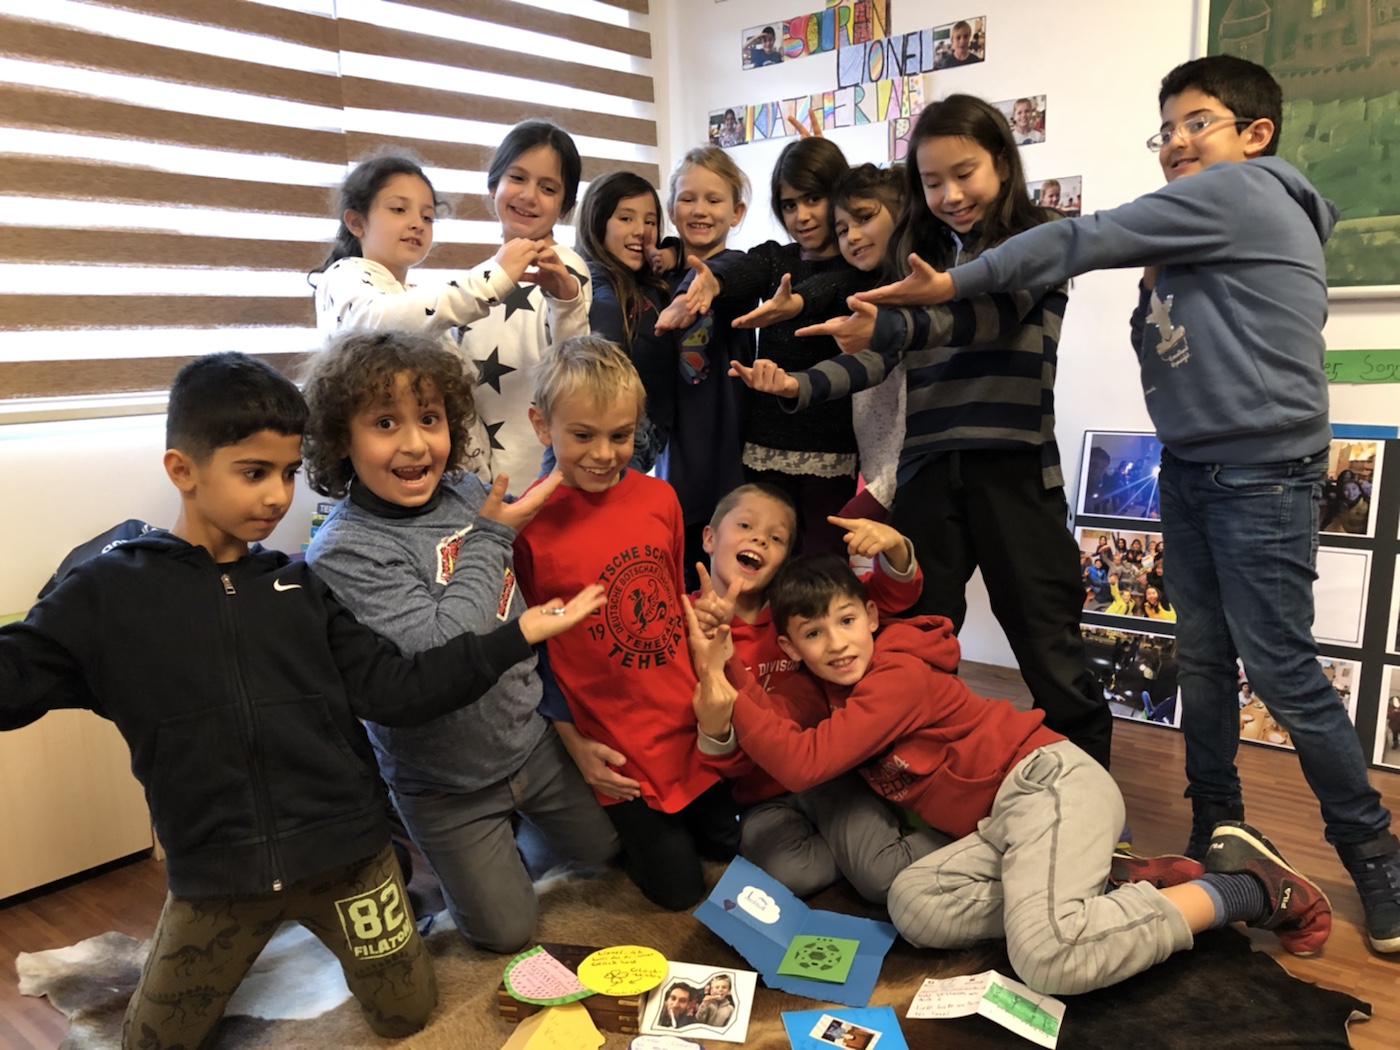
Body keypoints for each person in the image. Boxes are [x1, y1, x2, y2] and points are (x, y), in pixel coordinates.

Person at [853, 55, 1400, 951]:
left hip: (1262, 474)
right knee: (1204, 659)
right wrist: (1152, 301)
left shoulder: (1245, 191)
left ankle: (1374, 855)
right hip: (1194, 469)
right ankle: (1218, 825)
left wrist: (950, 283)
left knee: (1283, 672)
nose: (1177, 141)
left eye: (1198, 122)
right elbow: (1169, 354)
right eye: (1167, 128)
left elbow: (1083, 237)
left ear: (1256, 135)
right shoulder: (1198, 235)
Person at [0, 352, 602, 1049]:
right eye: (255, 473)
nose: (278, 497)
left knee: (408, 1013)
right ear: (182, 470)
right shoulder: (112, 592)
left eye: (287, 473)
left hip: (349, 859)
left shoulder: (301, 590)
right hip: (218, 876)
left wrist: (515, 636)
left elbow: (398, 690)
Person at [685, 554, 1332, 997]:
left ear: (872, 617)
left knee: (1049, 960)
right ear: (791, 649)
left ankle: (1248, 888)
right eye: (814, 633)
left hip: (1049, 784)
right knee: (913, 905)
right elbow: (781, 736)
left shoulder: (896, 676)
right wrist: (724, 667)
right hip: (1001, 826)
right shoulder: (836, 692)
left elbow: (803, 762)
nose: (837, 643)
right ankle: (1104, 879)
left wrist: (730, 688)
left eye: (847, 621)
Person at [731, 95, 1113, 770]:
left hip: (1014, 466)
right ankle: (924, 784)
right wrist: (797, 386)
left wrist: (896, 319)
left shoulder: (1042, 236)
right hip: (928, 471)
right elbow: (881, 358)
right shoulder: (921, 257)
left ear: (1003, 162)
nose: (950, 195)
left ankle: (1091, 796)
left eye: (964, 173)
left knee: (1048, 644)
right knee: (915, 642)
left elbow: (986, 317)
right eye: (932, 182)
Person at [301, 330, 620, 955]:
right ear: (340, 439)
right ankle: (469, 857)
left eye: (429, 418)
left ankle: (513, 836)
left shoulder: (468, 492)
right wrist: (490, 538)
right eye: (385, 423)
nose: (415, 443)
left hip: (528, 744)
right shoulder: (342, 551)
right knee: (505, 932)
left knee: (606, 852)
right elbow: (441, 649)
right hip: (444, 785)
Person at [512, 336, 740, 911]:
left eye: (620, 435)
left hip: (684, 717)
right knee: (678, 891)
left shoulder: (660, 499)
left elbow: (671, 593)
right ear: (542, 425)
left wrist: (705, 618)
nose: (604, 453)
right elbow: (533, 651)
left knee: (728, 845)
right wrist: (574, 743)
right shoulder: (527, 527)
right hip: (616, 740)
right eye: (582, 435)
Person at [691, 483, 943, 900]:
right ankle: (866, 846)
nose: (760, 539)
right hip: (758, 797)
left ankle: (954, 835)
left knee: (878, 876)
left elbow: (882, 599)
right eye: (746, 526)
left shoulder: (798, 610)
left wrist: (896, 549)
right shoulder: (688, 621)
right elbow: (712, 734)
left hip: (829, 774)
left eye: (776, 538)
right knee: (792, 875)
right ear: (709, 537)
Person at [659, 136, 858, 556]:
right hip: (763, 450)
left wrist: (798, 302)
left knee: (822, 567)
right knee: (761, 564)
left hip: (832, 451)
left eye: (813, 199)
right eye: (789, 205)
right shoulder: (775, 258)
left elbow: (832, 284)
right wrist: (711, 283)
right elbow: (741, 270)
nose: (802, 216)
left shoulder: (857, 265)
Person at [731, 163, 909, 520]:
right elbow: (865, 365)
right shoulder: (858, 277)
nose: (852, 236)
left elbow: (830, 284)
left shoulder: (899, 288)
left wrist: (798, 303)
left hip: (896, 468)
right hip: (875, 466)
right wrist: (796, 385)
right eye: (842, 229)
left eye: (864, 218)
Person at [461, 120, 592, 495]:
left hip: (539, 487)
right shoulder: (477, 279)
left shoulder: (565, 269)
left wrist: (566, 299)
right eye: (517, 178)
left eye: (548, 188)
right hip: (476, 488)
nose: (529, 196)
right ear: (494, 185)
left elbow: (575, 367)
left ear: (565, 206)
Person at [656, 146, 756, 585]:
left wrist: (696, 290)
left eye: (713, 200)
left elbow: (728, 270)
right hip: (674, 452)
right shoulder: (662, 278)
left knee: (723, 570)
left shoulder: (737, 272)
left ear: (736, 212)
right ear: (671, 209)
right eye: (688, 198)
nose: (699, 210)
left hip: (723, 452)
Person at [577, 170, 675, 471]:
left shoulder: (651, 283)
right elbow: (605, 314)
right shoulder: (593, 277)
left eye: (650, 221)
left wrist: (672, 253)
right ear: (597, 222)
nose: (641, 231)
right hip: (616, 429)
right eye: (626, 218)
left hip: (650, 433)